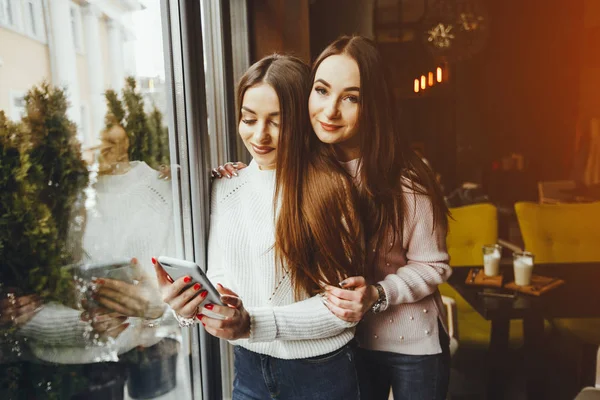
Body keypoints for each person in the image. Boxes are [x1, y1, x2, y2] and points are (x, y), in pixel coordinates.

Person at [219, 35, 452, 400]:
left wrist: (377, 293)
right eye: (322, 91)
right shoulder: (311, 166)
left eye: (351, 98)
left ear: (374, 105)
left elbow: (433, 265)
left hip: (407, 340)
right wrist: (246, 172)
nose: (329, 111)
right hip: (344, 340)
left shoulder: (406, 179)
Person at [154, 54, 364, 400]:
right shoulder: (224, 186)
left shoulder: (331, 188)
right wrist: (195, 306)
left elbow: (343, 311)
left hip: (321, 372)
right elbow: (222, 272)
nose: (259, 136)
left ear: (301, 121)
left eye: (276, 122)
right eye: (248, 119)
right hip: (250, 368)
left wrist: (253, 323)